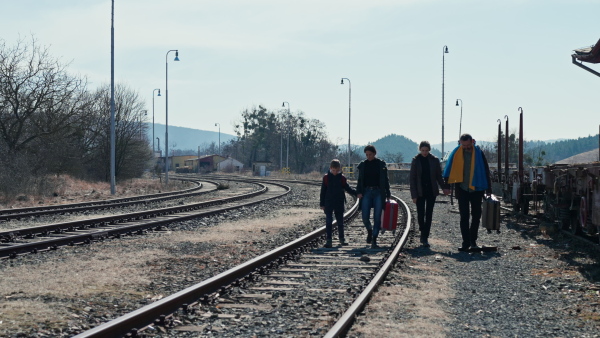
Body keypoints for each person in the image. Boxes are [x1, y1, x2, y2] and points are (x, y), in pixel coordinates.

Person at [443, 134, 492, 251]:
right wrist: (447, 185)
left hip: (477, 189)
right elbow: (449, 169)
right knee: (464, 216)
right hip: (462, 189)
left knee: (476, 215)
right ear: (460, 143)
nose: (465, 147)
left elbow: (486, 170)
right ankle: (465, 243)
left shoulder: (479, 153)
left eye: (468, 145)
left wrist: (489, 189)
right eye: (463, 145)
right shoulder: (455, 153)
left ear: (472, 142)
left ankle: (473, 240)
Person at [409, 140, 451, 247]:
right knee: (420, 213)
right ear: (420, 150)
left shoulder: (434, 160)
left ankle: (425, 236)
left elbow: (438, 176)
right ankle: (422, 230)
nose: (424, 152)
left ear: (429, 150)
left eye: (426, 150)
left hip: (431, 191)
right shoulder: (416, 160)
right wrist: (413, 195)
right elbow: (412, 179)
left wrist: (444, 187)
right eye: (423, 150)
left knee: (429, 214)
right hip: (419, 191)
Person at [356, 145, 391, 249]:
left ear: (374, 154)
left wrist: (388, 193)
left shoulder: (381, 164)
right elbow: (360, 180)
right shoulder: (363, 165)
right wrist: (359, 192)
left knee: (377, 217)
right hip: (366, 191)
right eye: (366, 155)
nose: (368, 156)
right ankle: (370, 230)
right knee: (365, 217)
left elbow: (386, 180)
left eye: (370, 154)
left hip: (378, 192)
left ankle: (374, 240)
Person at [320, 159, 357, 248]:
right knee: (329, 222)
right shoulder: (326, 178)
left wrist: (356, 193)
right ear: (330, 168)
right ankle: (329, 240)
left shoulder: (342, 178)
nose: (335, 172)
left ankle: (342, 238)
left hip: (339, 202)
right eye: (333, 170)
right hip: (328, 202)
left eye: (337, 170)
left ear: (340, 169)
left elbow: (348, 188)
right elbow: (323, 191)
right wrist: (322, 204)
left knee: (340, 222)